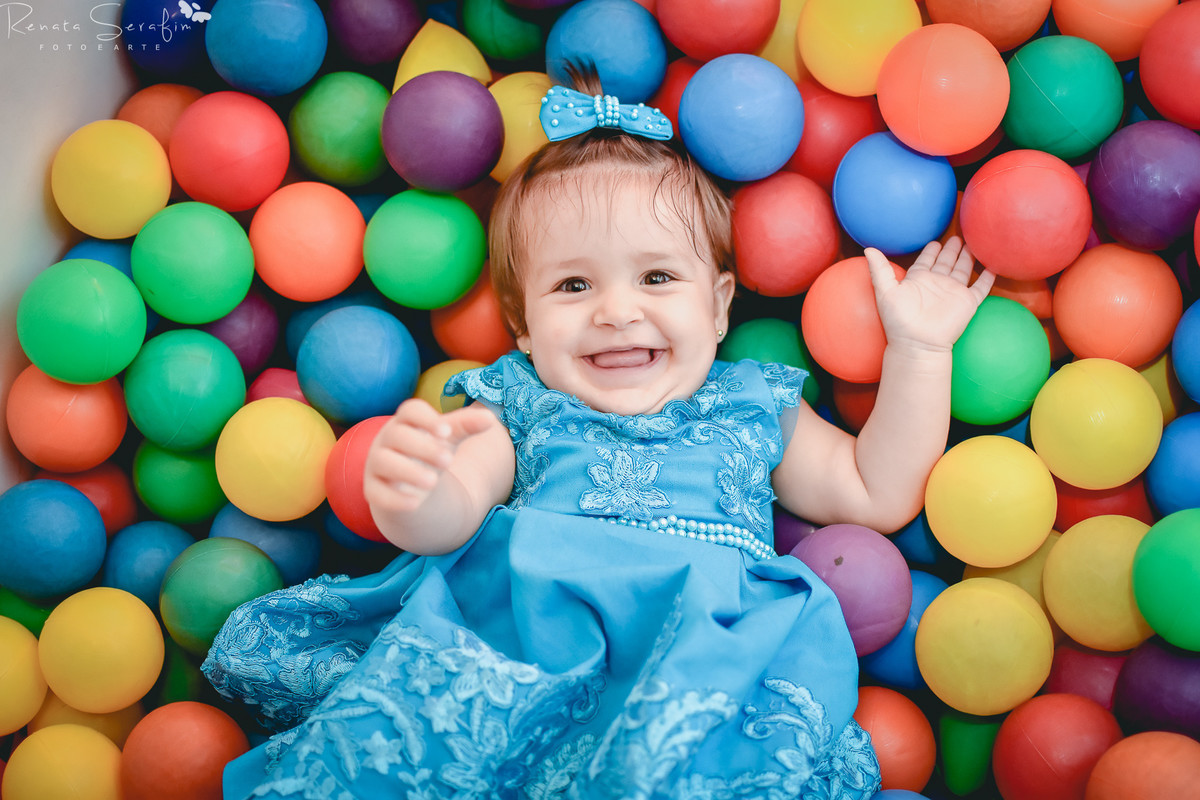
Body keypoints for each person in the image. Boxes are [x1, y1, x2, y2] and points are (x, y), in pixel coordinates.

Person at [202, 73, 993, 799]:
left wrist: (920, 351)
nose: (616, 311)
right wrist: (416, 493)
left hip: (702, 665)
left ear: (719, 305)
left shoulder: (752, 404)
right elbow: (457, 508)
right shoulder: (519, 402)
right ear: (522, 324)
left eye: (657, 277)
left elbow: (875, 490)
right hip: (526, 651)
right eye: (574, 284)